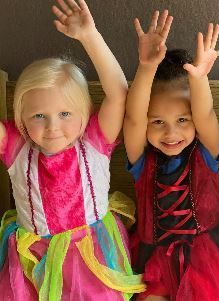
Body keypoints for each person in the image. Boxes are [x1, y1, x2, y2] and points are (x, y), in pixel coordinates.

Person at [0, 0, 145, 299]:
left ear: (85, 111)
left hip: (89, 254)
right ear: (21, 118)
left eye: (65, 114)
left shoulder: (94, 139)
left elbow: (119, 93)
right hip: (34, 254)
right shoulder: (16, 145)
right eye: (39, 116)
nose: (53, 127)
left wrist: (90, 36)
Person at [124, 10, 219, 301]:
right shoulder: (141, 160)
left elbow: (204, 113)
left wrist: (200, 78)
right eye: (158, 122)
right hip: (154, 259)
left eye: (182, 120)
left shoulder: (205, 152)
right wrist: (145, 68)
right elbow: (134, 119)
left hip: (209, 258)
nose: (171, 133)